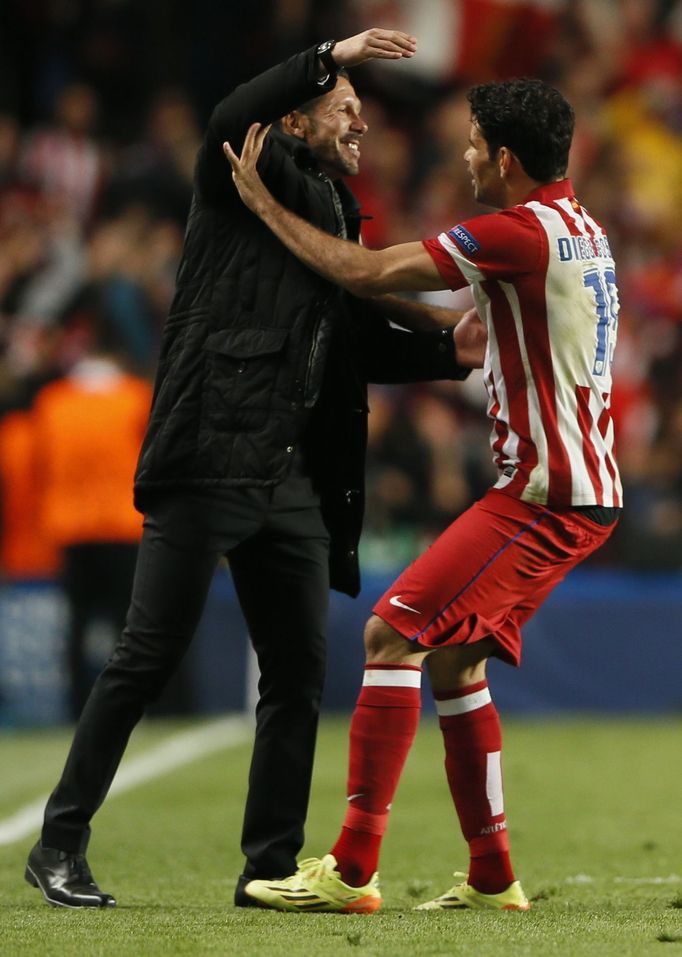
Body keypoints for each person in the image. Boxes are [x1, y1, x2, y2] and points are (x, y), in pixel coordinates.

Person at [24, 29, 485, 909]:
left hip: (290, 475)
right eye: (344, 106)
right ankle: (59, 841)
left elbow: (345, 342)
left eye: (360, 108)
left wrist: (447, 353)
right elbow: (233, 113)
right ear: (299, 119)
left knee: (299, 671)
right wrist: (332, 51)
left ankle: (269, 863)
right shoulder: (243, 170)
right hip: (210, 452)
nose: (361, 122)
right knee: (145, 655)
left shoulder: (338, 214)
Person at [226, 77, 622, 913]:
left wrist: (263, 206)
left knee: (392, 629)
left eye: (475, 142)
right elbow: (472, 326)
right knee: (451, 655)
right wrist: (455, 328)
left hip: (545, 498)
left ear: (506, 158)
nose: (465, 153)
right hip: (573, 486)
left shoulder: (511, 234)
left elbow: (361, 271)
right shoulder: (579, 228)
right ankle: (490, 876)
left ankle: (352, 866)